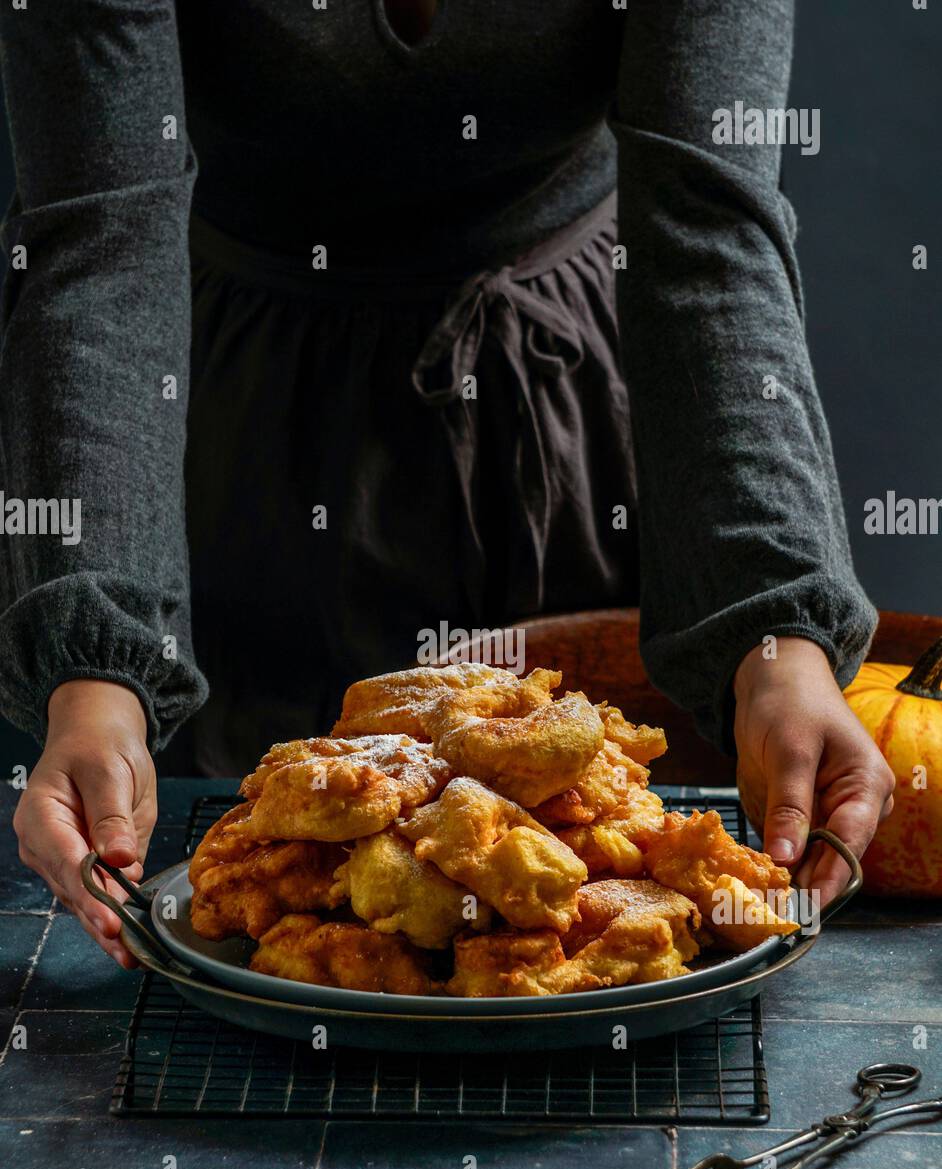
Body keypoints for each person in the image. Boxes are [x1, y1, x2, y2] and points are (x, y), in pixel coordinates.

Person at [0, 1, 894, 969]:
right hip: (246, 450)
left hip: (573, 417)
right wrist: (97, 674)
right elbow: (105, 229)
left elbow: (708, 211)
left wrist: (776, 643)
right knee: (260, 947)